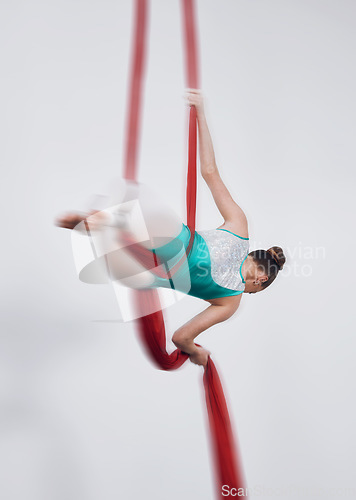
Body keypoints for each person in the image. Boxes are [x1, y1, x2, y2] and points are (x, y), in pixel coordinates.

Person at [55, 89, 286, 368]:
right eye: (252, 292)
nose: (247, 293)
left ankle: (106, 221)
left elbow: (209, 171)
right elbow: (180, 338)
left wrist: (201, 111)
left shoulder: (239, 225)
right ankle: (104, 228)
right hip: (145, 273)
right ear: (260, 282)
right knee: (124, 262)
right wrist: (197, 353)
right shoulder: (231, 302)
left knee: (130, 194)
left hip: (168, 236)